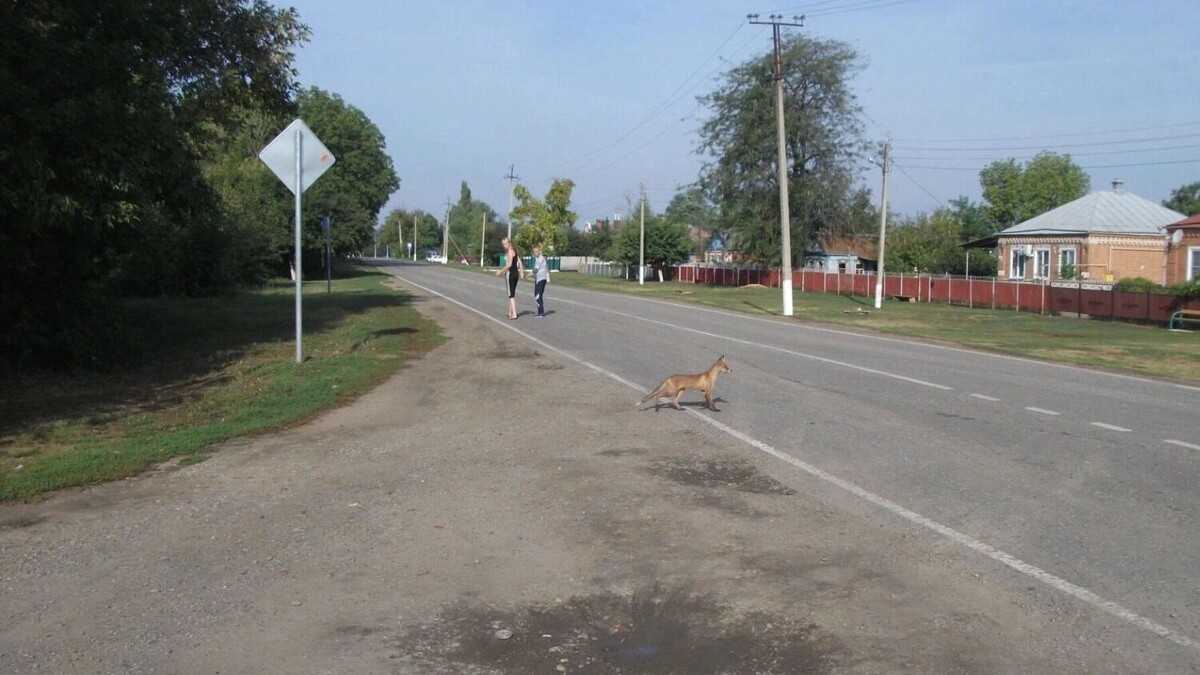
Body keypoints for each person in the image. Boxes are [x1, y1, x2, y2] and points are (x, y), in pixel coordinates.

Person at [494, 237, 524, 319]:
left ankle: (514, 314)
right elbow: (519, 262)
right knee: (512, 294)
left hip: (511, 274)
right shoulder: (514, 251)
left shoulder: (510, 251)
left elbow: (509, 264)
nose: (504, 245)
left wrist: (500, 271)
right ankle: (510, 312)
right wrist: (521, 272)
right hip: (515, 274)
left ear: (509, 243)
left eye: (505, 243)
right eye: (503, 244)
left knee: (511, 295)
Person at [532, 244, 549, 318]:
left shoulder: (540, 259)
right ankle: (539, 311)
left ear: (539, 251)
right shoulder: (537, 258)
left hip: (541, 279)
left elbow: (535, 270)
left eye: (536, 252)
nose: (535, 253)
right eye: (534, 252)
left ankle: (541, 313)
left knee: (538, 296)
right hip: (538, 279)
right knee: (536, 295)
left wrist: (527, 275)